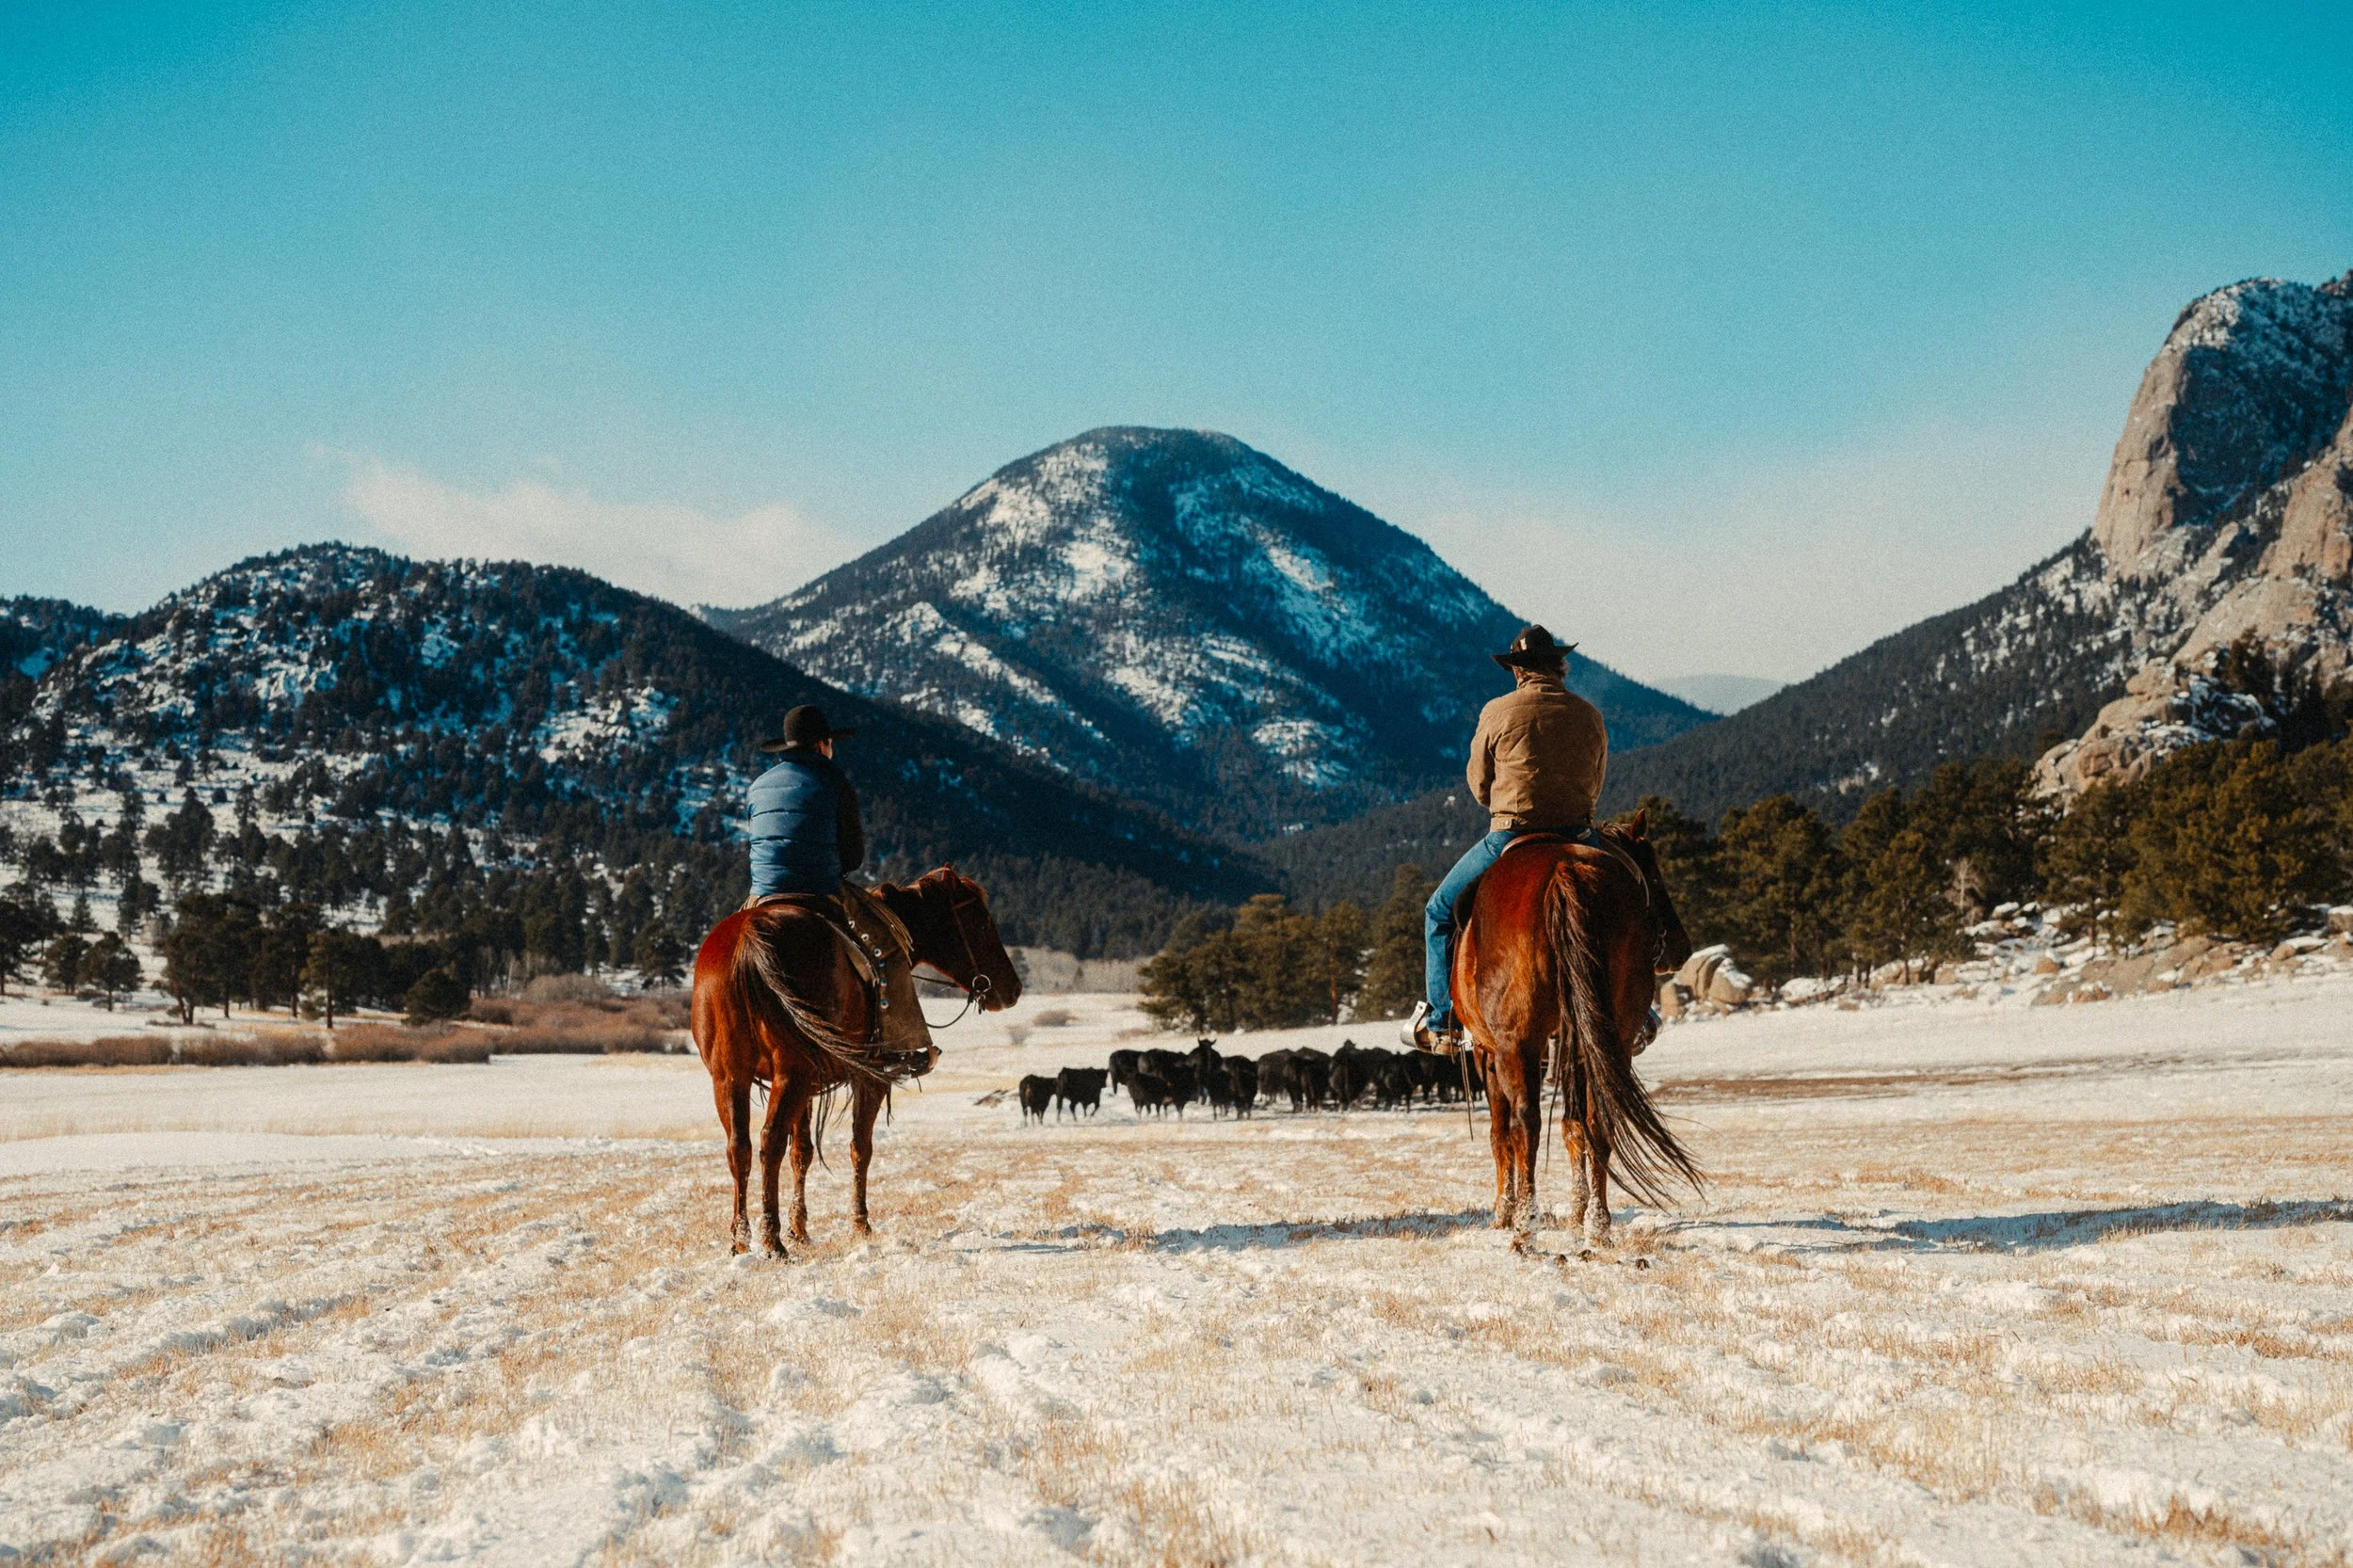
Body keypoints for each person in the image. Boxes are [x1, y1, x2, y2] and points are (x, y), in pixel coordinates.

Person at [1403, 625, 1609, 1054]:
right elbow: (1596, 781)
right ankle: (1638, 1010)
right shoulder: (1589, 713)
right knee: (1636, 897)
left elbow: (1479, 783)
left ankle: (1443, 1021)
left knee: (1439, 911)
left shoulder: (1497, 712)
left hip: (1512, 833)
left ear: (1517, 671)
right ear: (1560, 667)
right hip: (1579, 832)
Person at [744, 704, 927, 1056]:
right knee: (889, 949)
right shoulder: (835, 782)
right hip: (818, 889)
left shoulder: (757, 786)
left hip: (763, 892)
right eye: (830, 742)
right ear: (821, 745)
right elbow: (853, 856)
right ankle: (899, 1046)